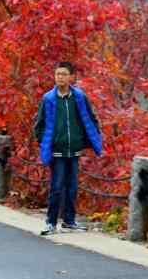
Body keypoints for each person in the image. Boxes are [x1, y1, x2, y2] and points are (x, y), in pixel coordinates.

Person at [33, 61, 103, 236]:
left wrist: (87, 140)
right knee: (56, 187)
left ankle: (69, 221)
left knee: (72, 187)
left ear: (71, 77)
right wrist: (47, 142)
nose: (60, 77)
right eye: (57, 74)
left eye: (64, 74)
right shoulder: (48, 98)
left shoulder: (79, 97)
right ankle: (50, 222)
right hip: (57, 149)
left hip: (74, 149)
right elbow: (39, 125)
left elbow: (90, 119)